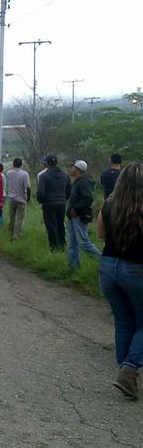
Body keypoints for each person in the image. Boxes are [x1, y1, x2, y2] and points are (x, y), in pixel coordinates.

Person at [97, 162, 143, 399]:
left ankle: (126, 374)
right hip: (136, 270)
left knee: (124, 322)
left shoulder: (108, 204)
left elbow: (100, 234)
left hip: (108, 268)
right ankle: (130, 369)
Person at [66, 160, 101, 270]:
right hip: (72, 217)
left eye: (72, 167)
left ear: (77, 169)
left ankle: (103, 261)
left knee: (83, 242)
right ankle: (73, 267)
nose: (71, 169)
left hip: (79, 216)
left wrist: (77, 208)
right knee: (72, 243)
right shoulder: (78, 181)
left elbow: (88, 198)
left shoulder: (84, 182)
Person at [36, 155, 72, 252]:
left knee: (51, 226)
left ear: (47, 164)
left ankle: (54, 247)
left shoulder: (43, 176)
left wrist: (42, 201)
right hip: (62, 203)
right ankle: (62, 245)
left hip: (49, 204)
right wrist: (64, 198)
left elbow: (40, 193)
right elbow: (69, 190)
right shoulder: (66, 175)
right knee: (60, 224)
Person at [6, 158, 31, 241]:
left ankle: (11, 232)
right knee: (19, 218)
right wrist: (28, 198)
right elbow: (28, 187)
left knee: (12, 217)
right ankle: (16, 235)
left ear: (13, 164)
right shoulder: (25, 174)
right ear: (21, 165)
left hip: (12, 198)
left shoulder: (9, 173)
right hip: (21, 198)